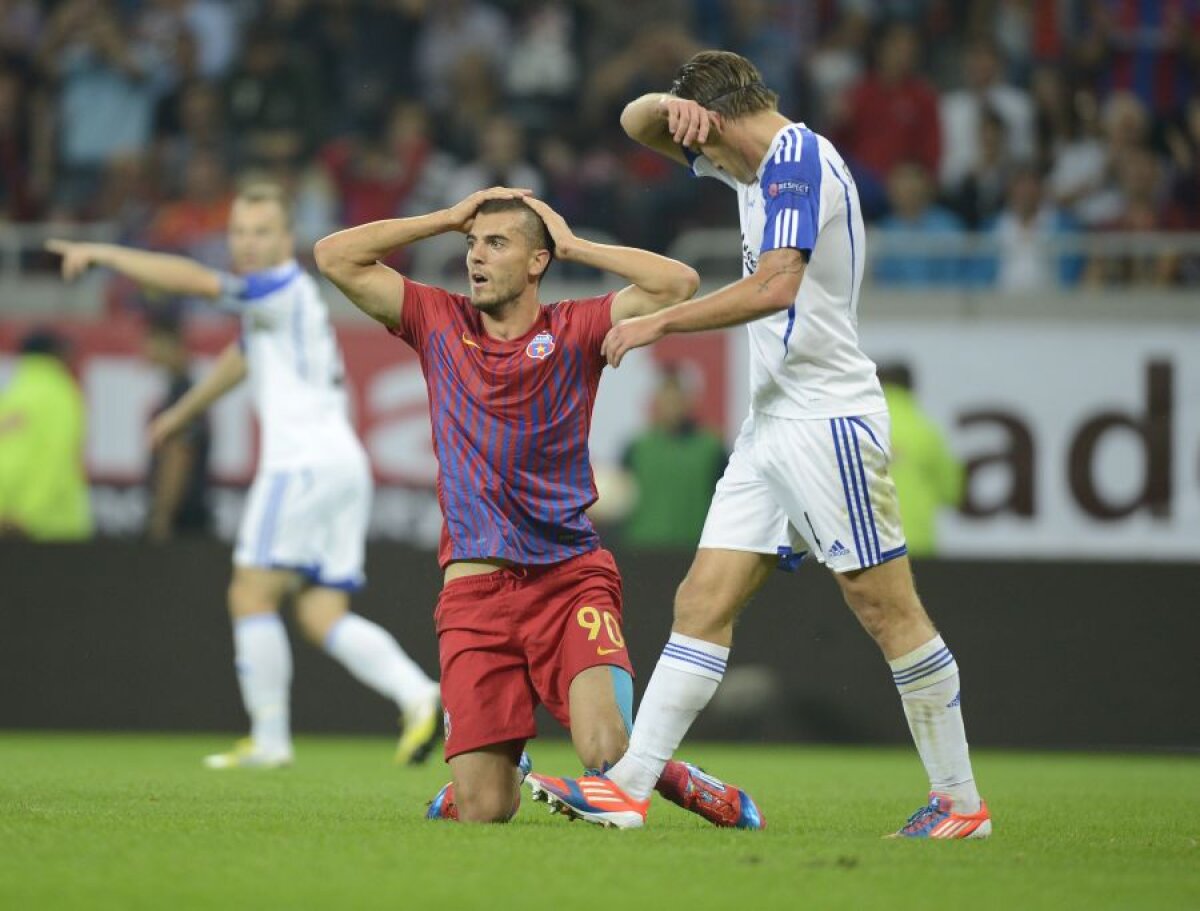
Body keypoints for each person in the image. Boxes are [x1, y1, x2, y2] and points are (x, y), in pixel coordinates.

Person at [526, 51, 991, 839]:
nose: (697, 162)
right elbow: (632, 124)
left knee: (885, 606)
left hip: (826, 418)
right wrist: (671, 109)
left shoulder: (795, 162)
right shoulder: (748, 169)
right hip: (770, 423)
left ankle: (961, 802)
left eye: (701, 147)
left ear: (723, 125)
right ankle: (630, 787)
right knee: (701, 600)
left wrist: (661, 321)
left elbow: (777, 283)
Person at [314, 187, 762, 827]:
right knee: (485, 811)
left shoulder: (575, 328)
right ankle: (492, 772)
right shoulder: (437, 321)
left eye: (496, 243)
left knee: (607, 756)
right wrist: (446, 217)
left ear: (536, 262)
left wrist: (576, 244)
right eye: (471, 244)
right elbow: (334, 256)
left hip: (568, 580)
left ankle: (673, 775)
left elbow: (678, 283)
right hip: (473, 594)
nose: (475, 256)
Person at [45, 181, 440, 769]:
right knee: (320, 613)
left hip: (299, 464)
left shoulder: (280, 286)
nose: (248, 243)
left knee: (250, 591)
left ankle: (271, 739)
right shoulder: (282, 306)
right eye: (239, 232)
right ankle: (421, 695)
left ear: (286, 238)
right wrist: (181, 414)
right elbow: (242, 356)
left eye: (261, 232)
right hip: (339, 462)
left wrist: (107, 255)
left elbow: (198, 283)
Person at [0, 329, 92, 541]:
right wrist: (27, 515)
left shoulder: (12, 395)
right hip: (53, 526)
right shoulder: (61, 394)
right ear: (54, 354)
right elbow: (55, 457)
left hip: (5, 526)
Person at [620, 366, 727, 549]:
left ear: (691, 400)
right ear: (657, 399)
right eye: (666, 395)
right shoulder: (636, 449)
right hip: (642, 551)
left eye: (678, 395)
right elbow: (620, 500)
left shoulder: (712, 449)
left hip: (694, 551)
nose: (672, 402)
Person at [876, 365, 963, 558]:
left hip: (866, 544)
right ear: (911, 389)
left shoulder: (856, 430)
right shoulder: (927, 431)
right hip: (917, 543)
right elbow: (952, 492)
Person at [142, 310, 212, 542]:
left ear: (168, 342)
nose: (147, 349)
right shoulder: (185, 391)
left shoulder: (181, 394)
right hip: (189, 518)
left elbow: (178, 455)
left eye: (151, 341)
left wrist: (162, 515)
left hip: (182, 523)